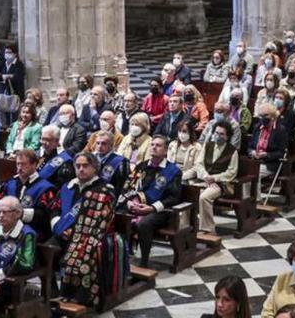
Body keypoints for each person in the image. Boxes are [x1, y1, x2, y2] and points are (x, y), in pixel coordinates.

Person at [52, 152, 126, 307]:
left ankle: (83, 297)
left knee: (82, 255)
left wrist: (77, 233)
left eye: (85, 166)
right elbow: (55, 210)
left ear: (95, 167)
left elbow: (103, 219)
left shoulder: (105, 189)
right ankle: (54, 292)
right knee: (45, 250)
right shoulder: (68, 187)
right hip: (64, 233)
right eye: (77, 166)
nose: (81, 169)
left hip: (94, 234)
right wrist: (59, 227)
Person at [118, 135, 181, 268]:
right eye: (152, 144)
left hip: (160, 211)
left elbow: (173, 198)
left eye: (158, 145)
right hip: (136, 205)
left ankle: (144, 262)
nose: (154, 147)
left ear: (165, 150)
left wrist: (151, 208)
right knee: (117, 215)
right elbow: (127, 187)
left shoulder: (173, 171)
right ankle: (121, 257)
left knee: (144, 224)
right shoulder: (141, 166)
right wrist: (129, 202)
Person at [192, 120, 238, 236]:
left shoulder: (232, 151)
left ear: (227, 136)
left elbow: (231, 172)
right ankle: (190, 225)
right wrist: (205, 176)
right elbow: (198, 163)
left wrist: (214, 178)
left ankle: (209, 229)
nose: (218, 136)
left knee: (204, 197)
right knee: (187, 191)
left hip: (221, 184)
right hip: (204, 179)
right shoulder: (207, 146)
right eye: (216, 133)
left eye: (222, 134)